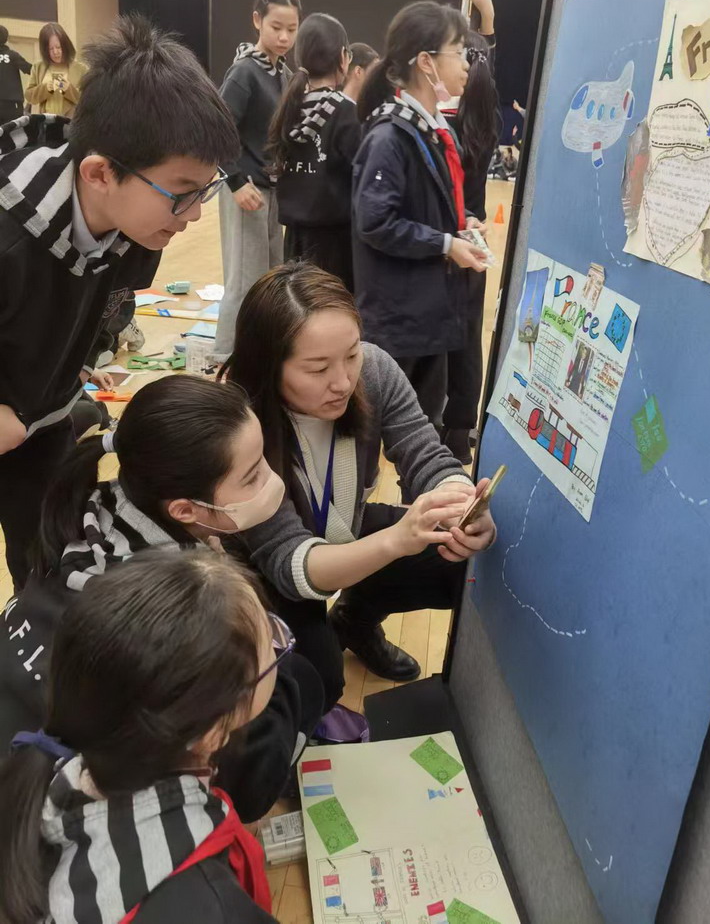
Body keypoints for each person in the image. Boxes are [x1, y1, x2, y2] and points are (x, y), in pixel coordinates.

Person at [0, 375, 324, 821]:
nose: (271, 480)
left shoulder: (96, 510)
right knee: (299, 680)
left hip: (23, 723)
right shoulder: (174, 607)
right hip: (48, 804)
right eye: (251, 476)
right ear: (184, 510)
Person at [0, 14, 239, 590]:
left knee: (48, 558)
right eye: (181, 194)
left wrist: (79, 365)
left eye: (205, 191)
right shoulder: (9, 238)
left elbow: (102, 301)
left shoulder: (140, 230)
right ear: (100, 173)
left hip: (43, 419)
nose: (194, 215)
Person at [222, 262, 497, 711]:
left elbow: (422, 450)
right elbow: (288, 562)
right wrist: (395, 541)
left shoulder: (375, 371)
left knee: (456, 561)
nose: (344, 382)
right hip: (265, 573)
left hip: (339, 526)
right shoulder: (241, 423)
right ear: (269, 366)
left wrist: (460, 504)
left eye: (351, 354)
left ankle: (355, 619)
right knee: (317, 683)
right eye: (317, 369)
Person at [0, 549, 284, 924]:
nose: (279, 644)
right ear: (213, 732)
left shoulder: (55, 772)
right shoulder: (208, 905)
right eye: (274, 644)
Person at [353, 1, 488, 426]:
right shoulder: (389, 137)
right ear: (427, 62)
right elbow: (376, 222)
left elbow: (426, 204)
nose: (466, 64)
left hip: (430, 311)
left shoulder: (431, 130)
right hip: (401, 317)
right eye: (459, 51)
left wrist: (462, 222)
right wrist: (446, 244)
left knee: (422, 430)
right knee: (378, 431)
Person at [214, 0, 301, 359]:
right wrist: (235, 182)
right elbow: (216, 131)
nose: (284, 37)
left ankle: (258, 360)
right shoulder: (244, 72)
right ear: (257, 21)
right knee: (244, 283)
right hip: (245, 190)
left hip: (271, 192)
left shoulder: (285, 74)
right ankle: (224, 360)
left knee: (270, 281)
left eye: (291, 29)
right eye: (276, 27)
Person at [440, 0, 502, 463]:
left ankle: (429, 428)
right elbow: (483, 68)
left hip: (444, 240)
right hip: (472, 236)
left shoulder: (440, 122)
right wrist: (488, 16)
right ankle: (459, 433)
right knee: (467, 339)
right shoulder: (484, 115)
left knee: (437, 342)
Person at [269, 13, 360, 291]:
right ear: (343, 57)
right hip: (336, 242)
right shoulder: (345, 111)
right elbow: (362, 172)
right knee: (331, 306)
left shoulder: (290, 106)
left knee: (299, 304)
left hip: (294, 239)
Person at [24, 22, 86, 118]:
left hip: (70, 123)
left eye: (58, 47)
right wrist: (45, 89)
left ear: (65, 45)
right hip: (44, 122)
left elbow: (88, 100)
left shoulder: (81, 69)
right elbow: (29, 96)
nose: (55, 52)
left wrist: (69, 90)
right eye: (50, 49)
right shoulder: (38, 67)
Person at [0, 25, 31, 124]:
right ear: (6, 39)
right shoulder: (13, 55)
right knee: (13, 131)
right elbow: (31, 70)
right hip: (13, 104)